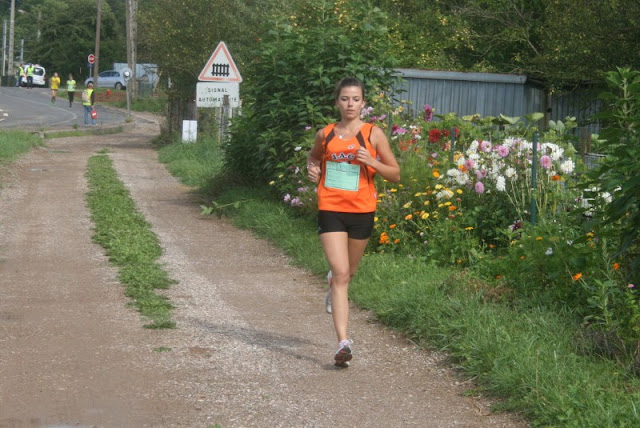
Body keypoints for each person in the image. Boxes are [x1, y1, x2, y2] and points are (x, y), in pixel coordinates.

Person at [306, 77, 400, 368]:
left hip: (361, 211)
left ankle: (334, 285)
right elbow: (313, 158)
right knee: (341, 272)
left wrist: (372, 162)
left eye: (355, 99)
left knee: (349, 273)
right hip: (330, 208)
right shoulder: (326, 134)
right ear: (337, 102)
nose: (350, 104)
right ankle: (343, 342)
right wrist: (312, 169)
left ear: (363, 103)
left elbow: (395, 174)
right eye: (345, 99)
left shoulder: (373, 134)